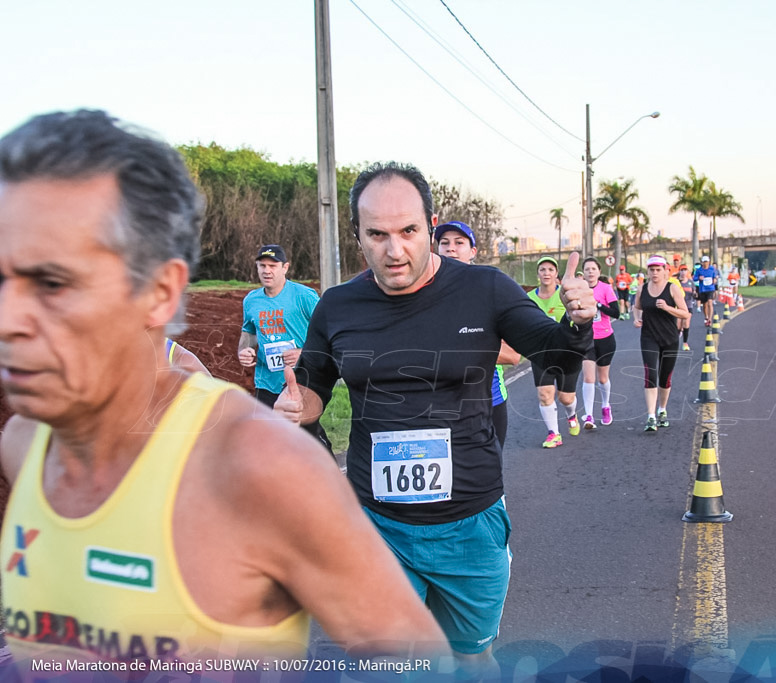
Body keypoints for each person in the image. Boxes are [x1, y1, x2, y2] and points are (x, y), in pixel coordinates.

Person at [0, 110, 447, 667]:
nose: (8, 318)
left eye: (51, 282)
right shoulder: (22, 445)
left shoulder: (259, 467)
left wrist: (306, 379)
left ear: (160, 294)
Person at [274, 162, 594, 674]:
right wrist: (297, 407)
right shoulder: (338, 305)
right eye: (377, 234)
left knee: (471, 658)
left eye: (408, 231)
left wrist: (580, 322)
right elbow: (313, 388)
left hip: (470, 523)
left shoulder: (484, 289)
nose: (394, 250)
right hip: (375, 525)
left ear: (431, 223)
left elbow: (553, 354)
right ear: (358, 236)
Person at [238, 244, 332, 453]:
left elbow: (328, 332)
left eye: (273, 265)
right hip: (266, 381)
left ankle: (330, 474)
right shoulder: (251, 300)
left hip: (300, 378)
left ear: (285, 267)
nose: (267, 271)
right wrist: (244, 351)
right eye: (262, 265)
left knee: (307, 436)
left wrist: (302, 353)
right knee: (268, 440)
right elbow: (248, 333)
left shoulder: (303, 296)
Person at [435, 220, 519, 449]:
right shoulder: (421, 295)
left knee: (488, 479)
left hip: (487, 402)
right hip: (438, 405)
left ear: (472, 252)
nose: (450, 248)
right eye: (444, 243)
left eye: (459, 243)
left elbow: (512, 355)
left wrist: (456, 344)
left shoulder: (489, 292)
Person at [527, 256, 583, 448]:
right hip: (541, 353)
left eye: (550, 270)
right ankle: (554, 433)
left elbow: (578, 317)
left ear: (556, 274)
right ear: (538, 274)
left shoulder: (565, 294)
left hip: (567, 353)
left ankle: (571, 414)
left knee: (565, 398)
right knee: (545, 394)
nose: (546, 273)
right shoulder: (529, 298)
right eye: (542, 270)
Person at [634, 255, 691, 433]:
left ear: (665, 271)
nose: (655, 273)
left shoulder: (672, 288)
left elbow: (685, 313)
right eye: (652, 270)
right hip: (649, 337)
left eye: (658, 269)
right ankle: (650, 416)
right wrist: (637, 319)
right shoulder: (642, 289)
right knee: (650, 375)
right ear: (648, 272)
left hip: (669, 338)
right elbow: (637, 306)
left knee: (665, 378)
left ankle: (662, 410)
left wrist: (667, 308)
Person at [580, 257, 619, 428]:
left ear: (598, 271)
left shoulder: (605, 289)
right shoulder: (579, 289)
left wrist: (598, 306)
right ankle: (589, 415)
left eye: (593, 269)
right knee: (588, 378)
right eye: (587, 269)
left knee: (602, 379)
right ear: (583, 272)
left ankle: (605, 406)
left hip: (605, 338)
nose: (590, 272)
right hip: (585, 339)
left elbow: (616, 313)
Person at [693, 255, 718, 326]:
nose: (705, 263)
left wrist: (715, 279)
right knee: (705, 305)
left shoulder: (712, 269)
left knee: (710, 303)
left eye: (706, 262)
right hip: (703, 289)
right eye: (704, 262)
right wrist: (699, 277)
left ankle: (710, 319)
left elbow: (715, 276)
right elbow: (694, 278)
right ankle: (706, 317)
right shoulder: (699, 270)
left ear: (709, 262)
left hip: (710, 288)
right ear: (702, 263)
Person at [677, 264, 695, 351]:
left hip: (688, 305)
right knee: (678, 325)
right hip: (678, 306)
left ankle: (685, 343)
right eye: (682, 270)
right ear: (679, 271)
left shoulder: (690, 282)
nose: (683, 272)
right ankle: (676, 338)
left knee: (686, 323)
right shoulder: (677, 282)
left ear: (687, 272)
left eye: (685, 270)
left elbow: (694, 292)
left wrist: (695, 294)